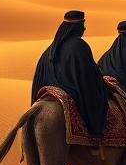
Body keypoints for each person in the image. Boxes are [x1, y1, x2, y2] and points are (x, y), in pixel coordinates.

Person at [31, 10, 108, 139]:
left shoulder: (49, 51)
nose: (84, 28)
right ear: (77, 26)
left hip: (45, 94)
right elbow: (89, 77)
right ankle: (96, 135)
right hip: (72, 92)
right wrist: (103, 87)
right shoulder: (79, 46)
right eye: (82, 24)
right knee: (100, 99)